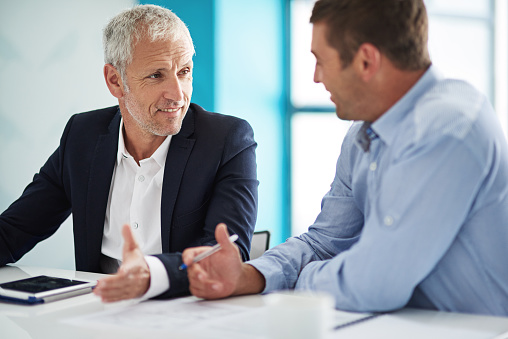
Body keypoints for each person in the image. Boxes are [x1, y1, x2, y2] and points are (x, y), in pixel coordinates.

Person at [183, 0, 508, 316]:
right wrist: (248, 276)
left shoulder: (447, 131)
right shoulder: (365, 133)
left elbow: (375, 284)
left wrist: (304, 276)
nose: (316, 77)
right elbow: (325, 242)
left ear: (366, 61)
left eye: (321, 61)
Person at [0, 5, 258, 302]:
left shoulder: (227, 140)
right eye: (156, 76)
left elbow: (224, 254)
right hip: (99, 313)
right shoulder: (82, 135)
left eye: (184, 71)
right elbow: (13, 231)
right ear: (115, 81)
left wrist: (153, 274)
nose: (178, 94)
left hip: (187, 312)